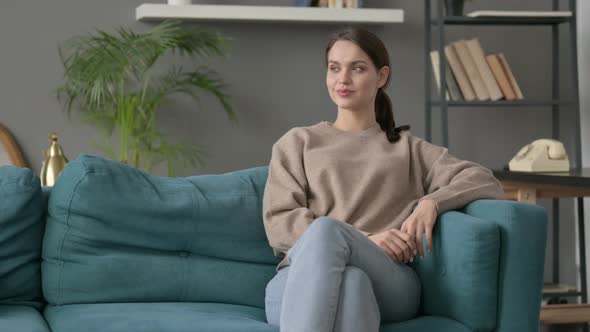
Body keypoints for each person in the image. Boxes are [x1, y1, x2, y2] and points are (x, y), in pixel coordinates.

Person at [262, 27, 505, 332]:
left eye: (358, 68)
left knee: (329, 234)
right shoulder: (297, 142)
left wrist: (432, 202)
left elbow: (484, 180)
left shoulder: (407, 149)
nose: (343, 79)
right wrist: (365, 241)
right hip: (297, 279)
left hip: (389, 280)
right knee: (350, 282)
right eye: (334, 68)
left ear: (381, 76)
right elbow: (279, 224)